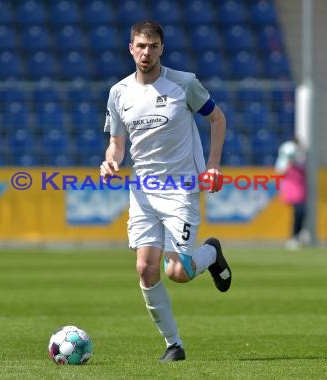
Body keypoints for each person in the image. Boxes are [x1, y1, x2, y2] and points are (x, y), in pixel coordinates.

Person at [99, 20, 232, 362]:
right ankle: (174, 344)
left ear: (162, 48)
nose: (146, 52)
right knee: (146, 268)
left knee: (179, 273)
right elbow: (116, 144)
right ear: (131, 48)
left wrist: (214, 165)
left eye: (153, 46)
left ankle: (211, 254)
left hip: (181, 189)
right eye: (140, 46)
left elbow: (217, 118)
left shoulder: (183, 84)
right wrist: (110, 161)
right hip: (142, 190)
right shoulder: (119, 93)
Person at [274, 137, 307, 250]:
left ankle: (297, 236)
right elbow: (280, 170)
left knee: (301, 213)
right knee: (298, 212)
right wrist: (289, 160)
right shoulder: (285, 159)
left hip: (300, 188)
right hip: (291, 188)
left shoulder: (301, 159)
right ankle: (293, 237)